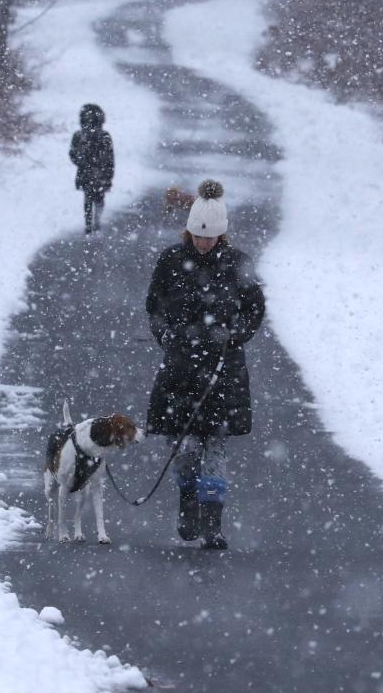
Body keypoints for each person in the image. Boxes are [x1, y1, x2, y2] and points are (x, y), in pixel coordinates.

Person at [145, 179, 265, 549]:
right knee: (184, 447)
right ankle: (187, 507)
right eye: (199, 237)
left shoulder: (237, 264)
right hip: (180, 366)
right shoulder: (170, 260)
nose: (204, 243)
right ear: (189, 230)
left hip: (222, 371)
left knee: (214, 445)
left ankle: (213, 523)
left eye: (211, 237)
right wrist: (165, 335)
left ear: (221, 235)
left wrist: (235, 335)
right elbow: (155, 305)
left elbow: (255, 309)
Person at [69, 103, 114, 234]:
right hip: (100, 171)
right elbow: (110, 158)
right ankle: (95, 221)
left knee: (88, 197)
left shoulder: (79, 135)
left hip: (86, 171)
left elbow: (72, 153)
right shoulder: (104, 136)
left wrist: (80, 161)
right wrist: (109, 174)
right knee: (98, 197)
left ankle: (89, 222)